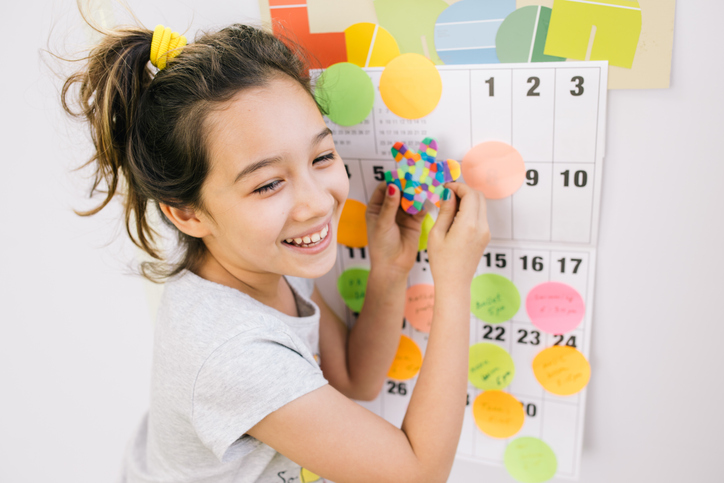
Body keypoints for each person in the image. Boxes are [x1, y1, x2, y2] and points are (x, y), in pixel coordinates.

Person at [61, 16, 490, 483]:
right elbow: (418, 475)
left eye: (322, 157)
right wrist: (453, 285)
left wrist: (391, 269)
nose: (317, 202)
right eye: (268, 184)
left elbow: (355, 379)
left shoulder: (260, 263)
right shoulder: (233, 353)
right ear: (187, 214)